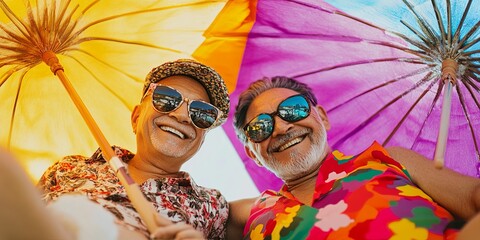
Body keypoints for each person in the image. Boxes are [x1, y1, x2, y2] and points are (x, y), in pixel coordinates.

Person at [227, 76, 480, 239]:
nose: (281, 128)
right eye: (260, 127)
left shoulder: (387, 159)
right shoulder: (246, 215)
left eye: (294, 109)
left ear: (322, 117)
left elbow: (473, 197)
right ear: (253, 154)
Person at [36, 59, 231, 239]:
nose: (182, 116)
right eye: (166, 97)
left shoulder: (213, 207)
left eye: (202, 113)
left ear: (202, 139)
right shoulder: (67, 168)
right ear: (136, 118)